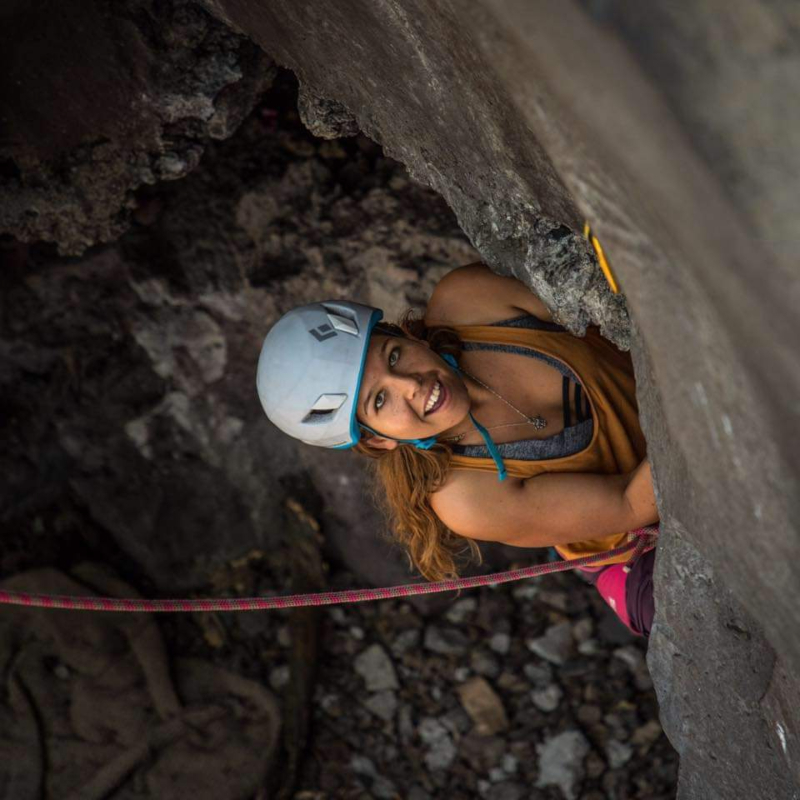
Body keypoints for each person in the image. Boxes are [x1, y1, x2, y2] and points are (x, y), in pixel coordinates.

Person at [257, 262, 659, 637]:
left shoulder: (471, 303)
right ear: (378, 438)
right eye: (379, 401)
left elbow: (609, 297)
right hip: (632, 548)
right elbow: (629, 504)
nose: (410, 385)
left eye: (393, 356)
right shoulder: (468, 498)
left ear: (401, 334)